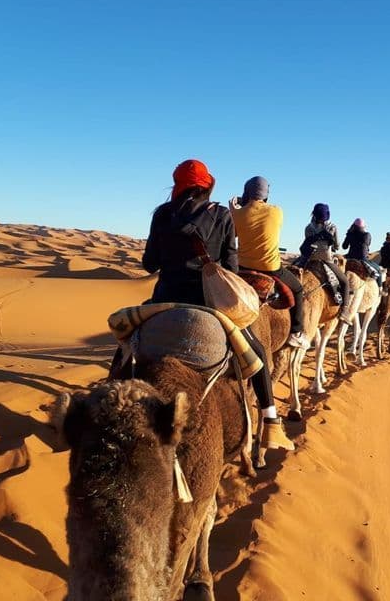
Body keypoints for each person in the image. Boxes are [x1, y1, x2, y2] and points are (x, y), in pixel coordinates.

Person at [143, 160, 293, 450]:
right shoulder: (222, 215)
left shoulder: (162, 214)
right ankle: (271, 420)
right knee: (258, 352)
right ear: (207, 185)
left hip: (163, 301)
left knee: (126, 344)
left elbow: (149, 264)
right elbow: (231, 267)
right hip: (209, 304)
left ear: (177, 185)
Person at [230, 176, 309, 349]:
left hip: (242, 268)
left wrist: (234, 209)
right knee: (298, 289)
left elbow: (233, 235)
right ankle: (296, 332)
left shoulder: (236, 214)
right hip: (271, 269)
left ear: (246, 192)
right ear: (266, 194)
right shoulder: (276, 211)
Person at [301, 203, 351, 323]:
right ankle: (344, 311)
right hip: (326, 260)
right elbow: (337, 246)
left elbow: (307, 243)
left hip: (309, 259)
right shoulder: (332, 227)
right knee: (345, 282)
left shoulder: (308, 227)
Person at [343, 219, 383, 283]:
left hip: (350, 257)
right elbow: (367, 245)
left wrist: (348, 235)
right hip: (362, 259)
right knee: (379, 270)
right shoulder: (367, 235)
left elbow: (344, 247)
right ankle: (380, 288)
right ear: (363, 226)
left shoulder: (350, 234)